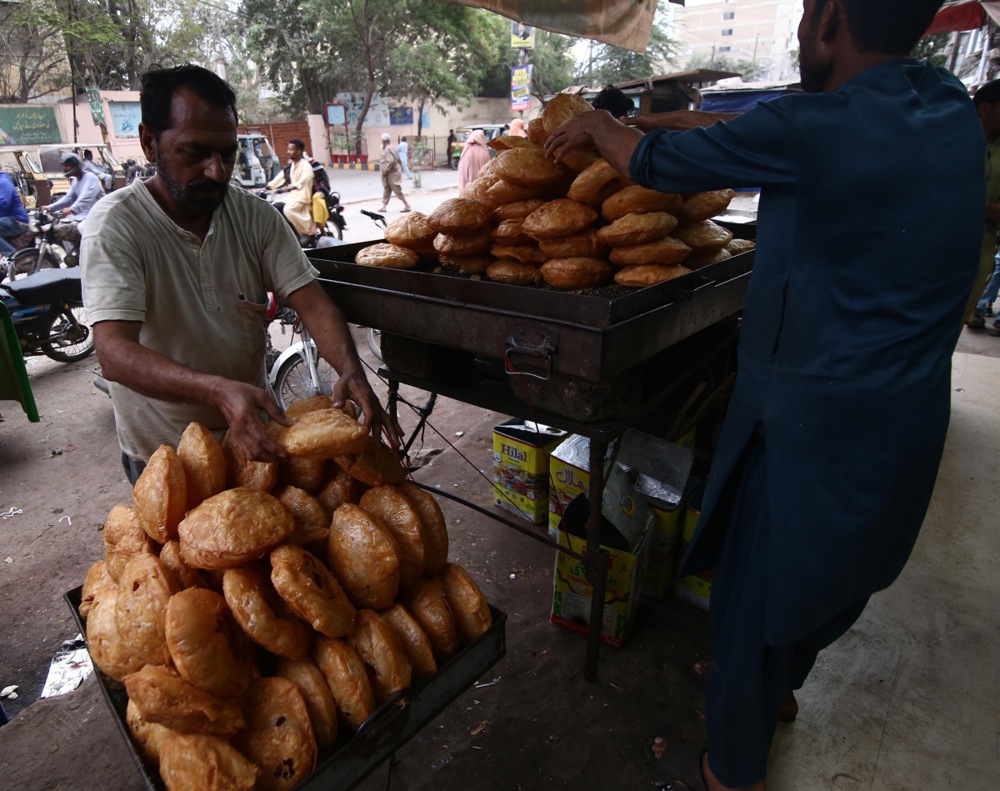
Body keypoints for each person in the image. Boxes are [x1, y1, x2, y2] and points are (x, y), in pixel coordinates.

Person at [546, 2, 979, 790]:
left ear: (830, 19)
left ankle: (728, 769)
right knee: (828, 581)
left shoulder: (818, 129)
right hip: (905, 420)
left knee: (753, 595)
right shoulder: (947, 106)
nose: (802, 25)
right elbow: (750, 126)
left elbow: (657, 164)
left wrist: (604, 127)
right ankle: (775, 688)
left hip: (813, 429)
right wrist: (662, 118)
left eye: (808, 9)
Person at [80, 64, 391, 483]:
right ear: (150, 143)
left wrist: (351, 370)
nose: (217, 171)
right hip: (167, 459)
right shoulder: (116, 226)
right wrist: (218, 391)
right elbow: (114, 352)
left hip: (253, 447)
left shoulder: (255, 217)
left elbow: (313, 304)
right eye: (195, 153)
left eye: (227, 153)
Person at [963, 79, 1000, 330]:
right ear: (986, 108)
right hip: (937, 250)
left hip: (980, 254)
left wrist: (970, 206)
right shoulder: (955, 139)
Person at [44, 153, 105, 247]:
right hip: (81, 216)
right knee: (59, 228)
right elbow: (68, 198)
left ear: (75, 165)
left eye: (67, 165)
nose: (65, 168)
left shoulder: (90, 177)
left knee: (80, 229)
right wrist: (50, 207)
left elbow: (86, 197)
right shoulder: (76, 181)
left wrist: (72, 209)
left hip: (95, 216)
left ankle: (90, 253)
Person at [274, 138, 316, 238]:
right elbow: (281, 177)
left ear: (299, 151)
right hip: (293, 197)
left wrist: (292, 186)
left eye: (291, 149)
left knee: (288, 210)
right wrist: (268, 186)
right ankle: (286, 233)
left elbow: (305, 179)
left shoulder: (305, 165)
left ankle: (302, 232)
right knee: (275, 207)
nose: (288, 152)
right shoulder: (292, 165)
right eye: (288, 149)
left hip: (302, 197)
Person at [378, 133, 411, 213]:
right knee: (387, 188)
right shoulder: (392, 147)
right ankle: (384, 206)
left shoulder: (387, 149)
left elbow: (391, 161)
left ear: (384, 141)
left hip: (392, 172)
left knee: (396, 189)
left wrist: (386, 170)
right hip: (391, 171)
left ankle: (407, 205)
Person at [0, 172, 29, 257]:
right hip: (6, 220)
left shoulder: (3, 182)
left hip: (16, 221)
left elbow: (4, 204)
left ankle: (10, 255)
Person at [457, 129, 491, 193]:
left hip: (468, 188)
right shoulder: (484, 151)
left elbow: (463, 169)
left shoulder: (466, 150)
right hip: (480, 188)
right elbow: (489, 169)